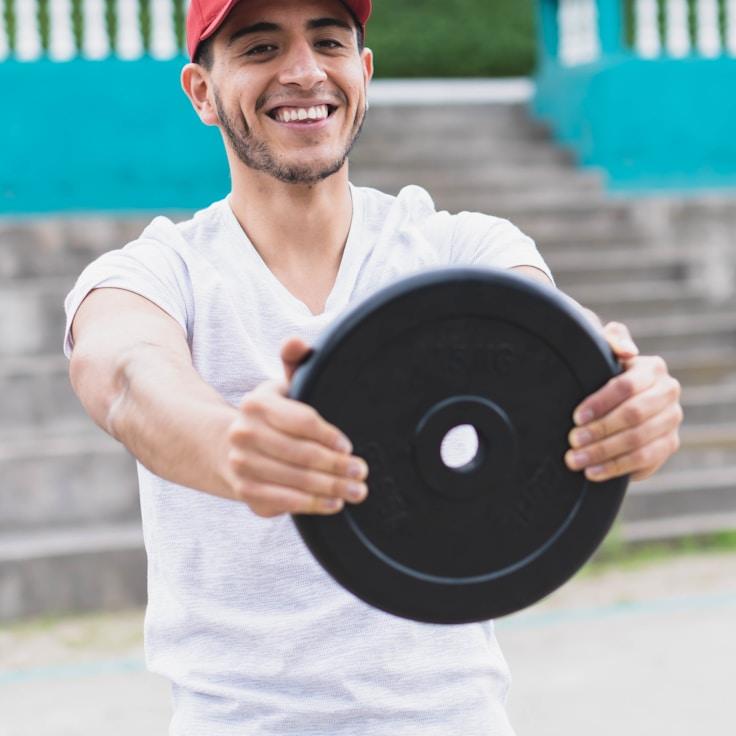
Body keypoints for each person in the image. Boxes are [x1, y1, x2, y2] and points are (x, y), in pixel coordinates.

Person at [63, 0, 683, 733]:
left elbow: (559, 343)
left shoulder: (459, 250)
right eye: (260, 48)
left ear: (363, 72)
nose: (302, 72)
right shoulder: (160, 271)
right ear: (202, 92)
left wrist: (631, 404)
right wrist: (237, 451)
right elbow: (131, 377)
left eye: (327, 42)